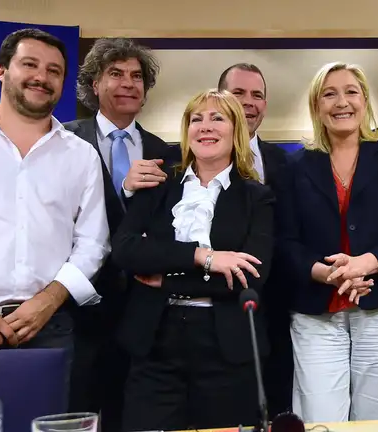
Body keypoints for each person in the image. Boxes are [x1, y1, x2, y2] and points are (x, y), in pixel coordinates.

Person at [276, 61, 378, 422]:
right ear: (316, 105)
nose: (341, 102)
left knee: (377, 422)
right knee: (319, 420)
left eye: (351, 92)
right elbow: (285, 243)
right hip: (317, 313)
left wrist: (367, 263)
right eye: (329, 94)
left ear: (365, 100)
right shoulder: (295, 166)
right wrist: (326, 273)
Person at [111, 89, 274, 431]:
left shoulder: (257, 197)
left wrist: (166, 278)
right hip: (155, 342)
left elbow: (249, 277)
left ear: (236, 130)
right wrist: (204, 257)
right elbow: (126, 249)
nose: (205, 126)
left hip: (224, 345)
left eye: (217, 118)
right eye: (196, 119)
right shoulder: (158, 186)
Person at [0, 28, 109, 378]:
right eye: (29, 64)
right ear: (2, 70)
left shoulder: (81, 155)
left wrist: (49, 300)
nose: (42, 77)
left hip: (47, 328)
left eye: (54, 71)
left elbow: (93, 243)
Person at [63, 37, 177, 432]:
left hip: (144, 311)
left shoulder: (166, 152)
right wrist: (123, 189)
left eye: (136, 76)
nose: (128, 83)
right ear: (94, 84)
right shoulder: (64, 140)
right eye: (116, 74)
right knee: (78, 411)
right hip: (78, 306)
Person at [218, 62, 291, 417]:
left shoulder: (287, 164)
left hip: (276, 312)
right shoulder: (188, 161)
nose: (248, 102)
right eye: (238, 93)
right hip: (216, 312)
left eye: (257, 95)